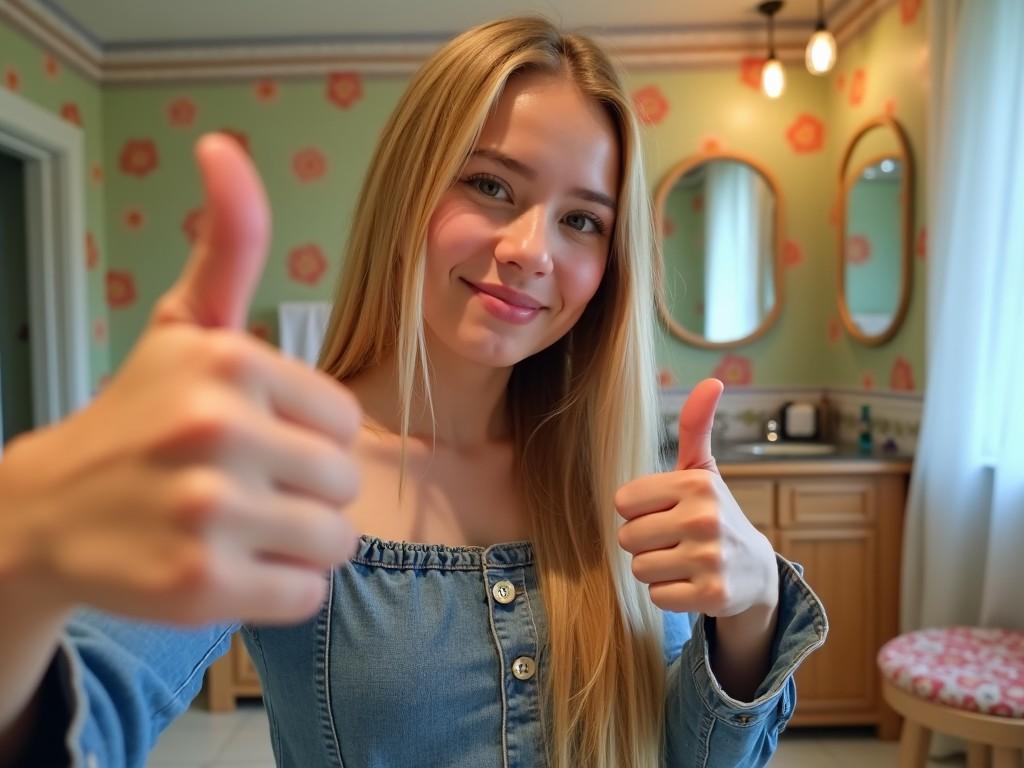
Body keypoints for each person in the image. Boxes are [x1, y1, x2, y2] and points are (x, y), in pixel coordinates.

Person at [0, 16, 826, 768]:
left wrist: (750, 617)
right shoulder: (288, 466)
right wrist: (22, 559)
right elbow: (86, 717)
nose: (531, 250)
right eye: (491, 185)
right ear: (410, 191)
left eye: (583, 220)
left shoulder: (611, 474)